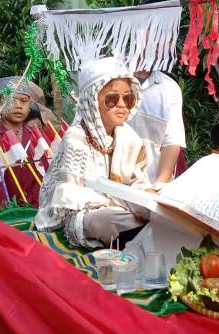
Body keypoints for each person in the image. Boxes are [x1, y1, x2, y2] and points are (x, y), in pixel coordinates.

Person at [36, 57, 152, 248]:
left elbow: (138, 181)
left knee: (155, 211)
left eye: (128, 98)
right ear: (92, 99)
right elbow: (70, 196)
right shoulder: (75, 138)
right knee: (108, 219)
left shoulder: (130, 138)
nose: (122, 105)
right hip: (83, 214)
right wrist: (118, 203)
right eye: (112, 98)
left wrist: (148, 195)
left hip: (125, 208)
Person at [0, 77, 48, 211]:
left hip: (33, 213)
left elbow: (45, 176)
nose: (18, 105)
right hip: (1, 216)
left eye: (24, 101)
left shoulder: (37, 138)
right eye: (13, 100)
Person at [128, 68, 185, 188]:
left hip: (150, 182)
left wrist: (159, 185)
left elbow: (172, 142)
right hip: (109, 178)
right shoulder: (113, 75)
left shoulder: (170, 88)